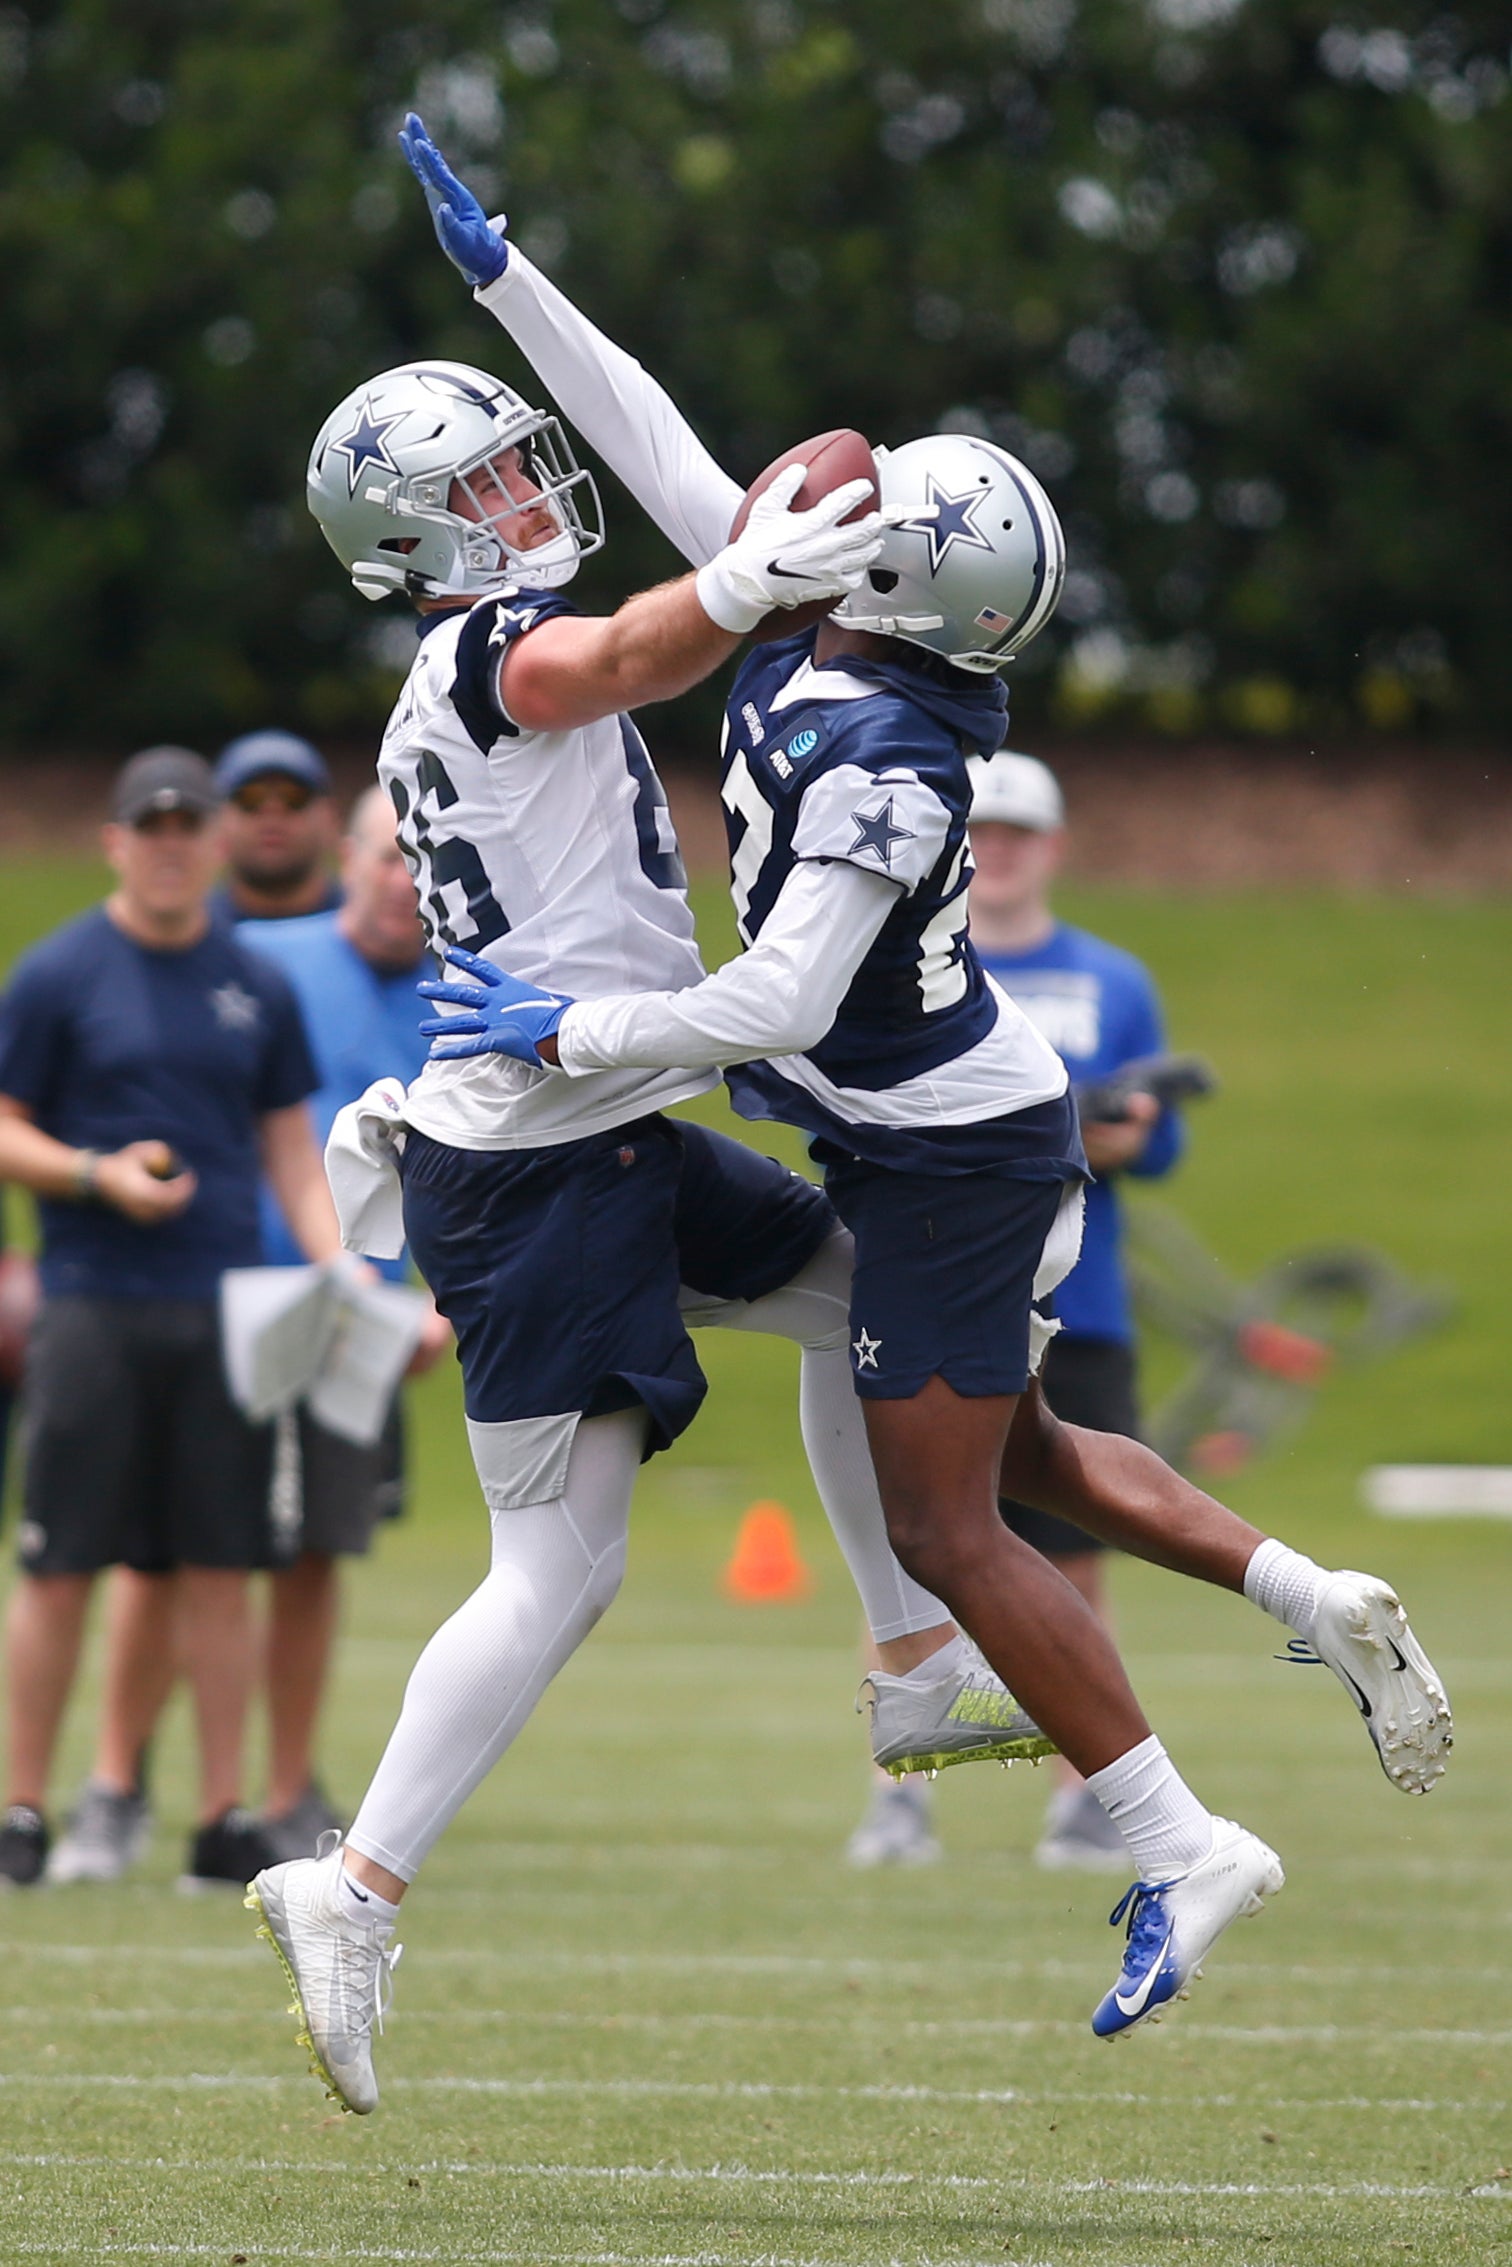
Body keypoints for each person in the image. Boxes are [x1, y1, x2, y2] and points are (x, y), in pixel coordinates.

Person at [395, 127, 1452, 2049]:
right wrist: (507, 284)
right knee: (1003, 1452)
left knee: (960, 1518)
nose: (825, 485)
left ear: (897, 570)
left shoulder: (883, 749)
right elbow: (650, 450)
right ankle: (1299, 1600)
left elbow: (767, 998)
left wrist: (564, 1036)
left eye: (869, 499)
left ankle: (1172, 1835)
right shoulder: (822, 615)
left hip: (953, 1148)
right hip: (904, 1131)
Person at [247, 112, 1030, 2117]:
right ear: (424, 538)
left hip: (573, 1124)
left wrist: (508, 279)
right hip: (531, 1164)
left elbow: (672, 491)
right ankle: (351, 1876)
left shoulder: (481, 643)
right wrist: (755, 577)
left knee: (868, 1292)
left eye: (518, 456)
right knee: (558, 1571)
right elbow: (627, 639)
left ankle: (906, 1652)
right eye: (489, 478)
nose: (529, 485)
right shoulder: (491, 648)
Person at [0, 748, 343, 1891]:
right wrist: (98, 1173)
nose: (166, 843)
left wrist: (336, 1260)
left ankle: (219, 1815)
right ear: (114, 840)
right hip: (93, 1302)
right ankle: (23, 1810)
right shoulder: (57, 974)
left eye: (186, 825)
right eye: (147, 825)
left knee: (221, 1561)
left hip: (222, 1305)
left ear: (211, 844)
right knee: (60, 1563)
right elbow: (6, 1125)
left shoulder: (254, 981)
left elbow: (290, 1146)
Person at [851, 749, 1184, 1871]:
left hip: (1073, 1296)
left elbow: (1161, 1140)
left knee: (1068, 1550)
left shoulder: (1114, 977)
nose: (995, 849)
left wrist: (1115, 1131)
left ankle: (1089, 1794)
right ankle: (903, 1793)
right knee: (910, 1541)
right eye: (979, 827)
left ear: (1052, 844)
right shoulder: (910, 959)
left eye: (1018, 830)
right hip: (933, 1283)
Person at [236, 788, 452, 1860]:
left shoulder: (458, 991)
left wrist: (442, 1305)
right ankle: (129, 1783)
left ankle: (285, 1785)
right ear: (346, 856)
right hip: (232, 1295)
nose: (402, 880)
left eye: (421, 861)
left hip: (368, 1313)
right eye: (385, 856)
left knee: (318, 1549)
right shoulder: (256, 956)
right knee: (183, 1551)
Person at [209, 731, 343, 925]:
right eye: (250, 798)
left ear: (330, 817)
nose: (272, 814)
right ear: (218, 820)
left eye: (294, 797)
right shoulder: (184, 935)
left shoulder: (375, 931)